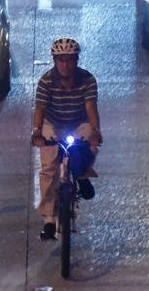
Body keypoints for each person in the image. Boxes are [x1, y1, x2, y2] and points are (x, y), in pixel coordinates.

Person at [31, 37, 101, 240]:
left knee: (88, 147)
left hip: (79, 121)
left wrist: (95, 130)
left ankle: (81, 174)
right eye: (61, 60)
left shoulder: (88, 80)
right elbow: (40, 108)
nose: (65, 65)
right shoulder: (45, 81)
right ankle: (49, 220)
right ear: (54, 61)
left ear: (76, 61)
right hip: (53, 123)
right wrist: (36, 131)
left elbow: (90, 107)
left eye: (70, 60)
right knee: (48, 168)